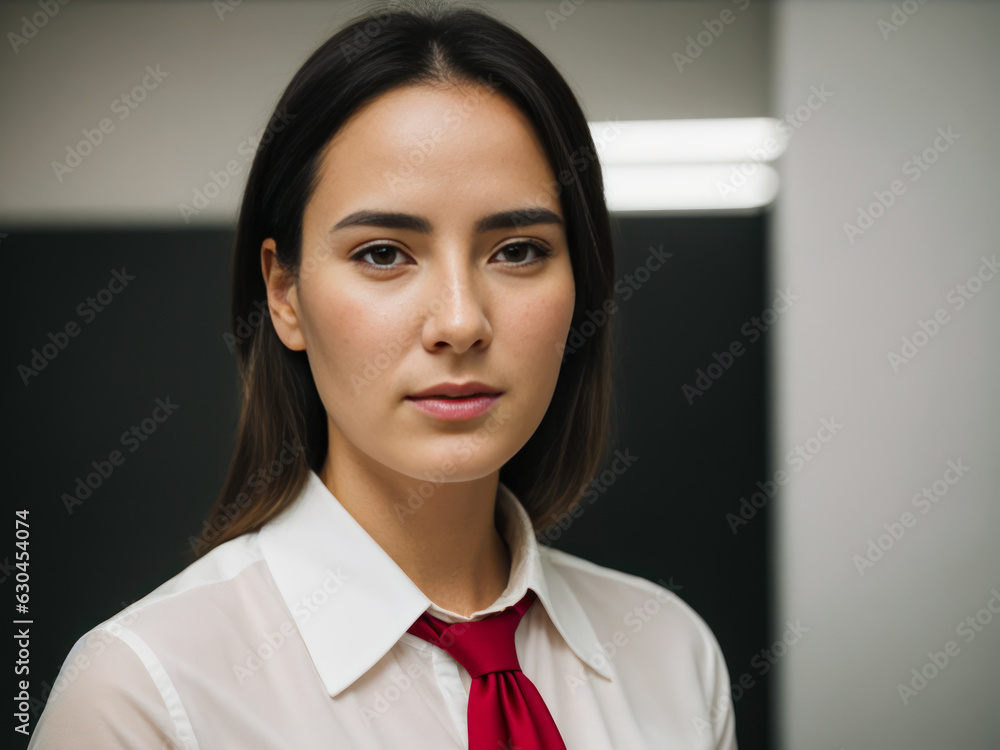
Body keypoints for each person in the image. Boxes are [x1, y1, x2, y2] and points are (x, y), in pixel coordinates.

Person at [28, 1, 738, 747]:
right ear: (284, 295)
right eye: (383, 253)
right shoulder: (143, 694)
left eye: (519, 250)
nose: (460, 322)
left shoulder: (671, 655)